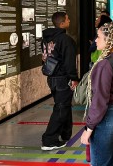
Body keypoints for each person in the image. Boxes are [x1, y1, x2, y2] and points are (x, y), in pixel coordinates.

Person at [80, 22, 113, 165]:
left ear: (108, 40)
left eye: (98, 37)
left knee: (101, 162)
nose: (95, 40)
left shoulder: (104, 64)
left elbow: (100, 100)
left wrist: (89, 128)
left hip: (107, 117)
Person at [41, 12, 79, 150]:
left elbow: (45, 57)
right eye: (68, 18)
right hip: (63, 78)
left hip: (52, 78)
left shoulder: (45, 39)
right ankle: (49, 140)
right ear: (62, 23)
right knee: (61, 108)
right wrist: (74, 78)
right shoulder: (65, 40)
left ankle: (65, 133)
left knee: (64, 105)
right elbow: (70, 62)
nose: (69, 20)